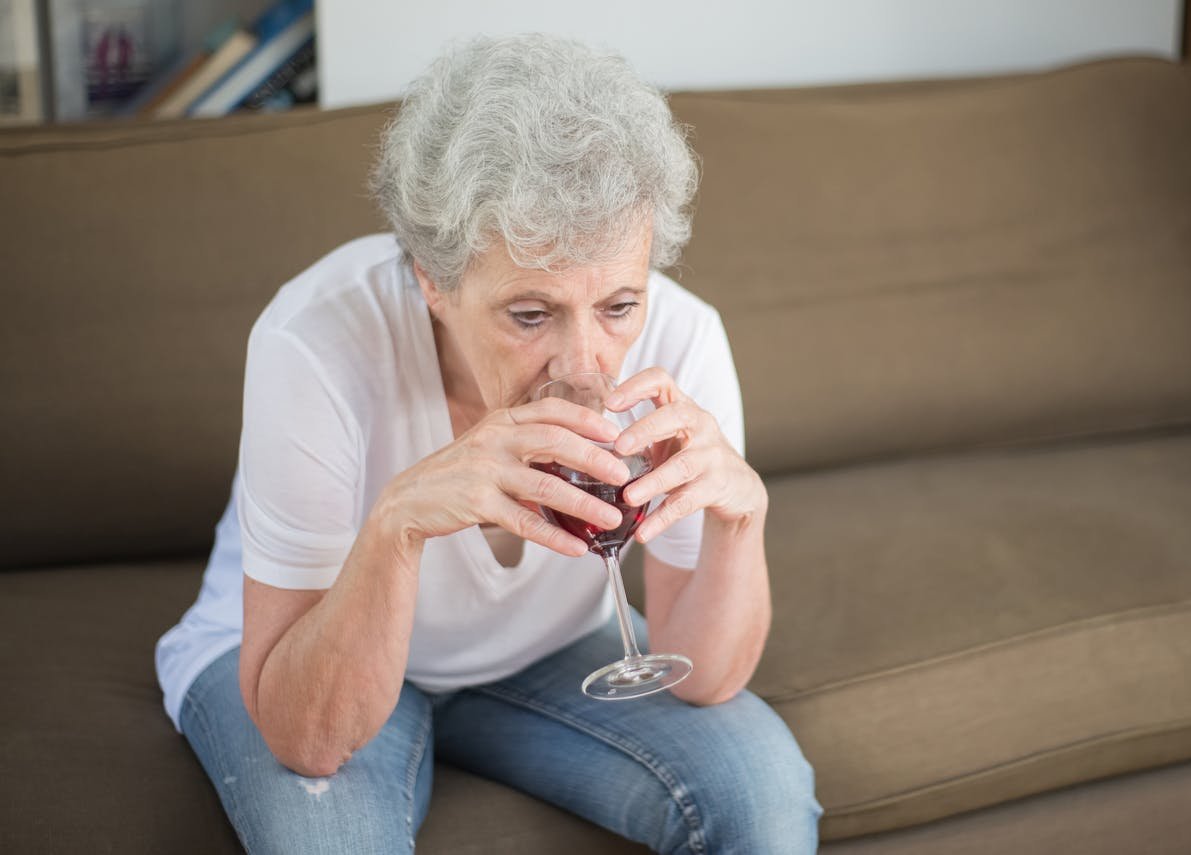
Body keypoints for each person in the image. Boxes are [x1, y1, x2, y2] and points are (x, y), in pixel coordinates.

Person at [156, 32, 821, 853]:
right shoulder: (315, 340)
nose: (584, 368)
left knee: (763, 796)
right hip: (305, 647)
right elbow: (307, 737)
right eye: (530, 315)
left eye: (618, 305)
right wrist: (398, 525)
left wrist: (742, 519)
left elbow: (706, 675)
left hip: (546, 655)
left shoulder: (683, 342)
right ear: (431, 282)